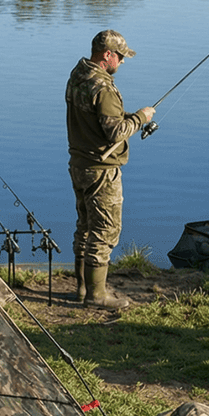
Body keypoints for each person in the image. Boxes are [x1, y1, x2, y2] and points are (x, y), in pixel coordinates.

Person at [66, 29, 154, 312]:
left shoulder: (78, 75)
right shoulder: (103, 88)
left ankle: (82, 289)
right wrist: (141, 117)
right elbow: (115, 131)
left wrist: (127, 117)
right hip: (101, 170)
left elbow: (97, 120)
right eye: (120, 56)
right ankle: (97, 296)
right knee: (104, 230)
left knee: (84, 227)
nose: (123, 62)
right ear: (107, 55)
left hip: (79, 164)